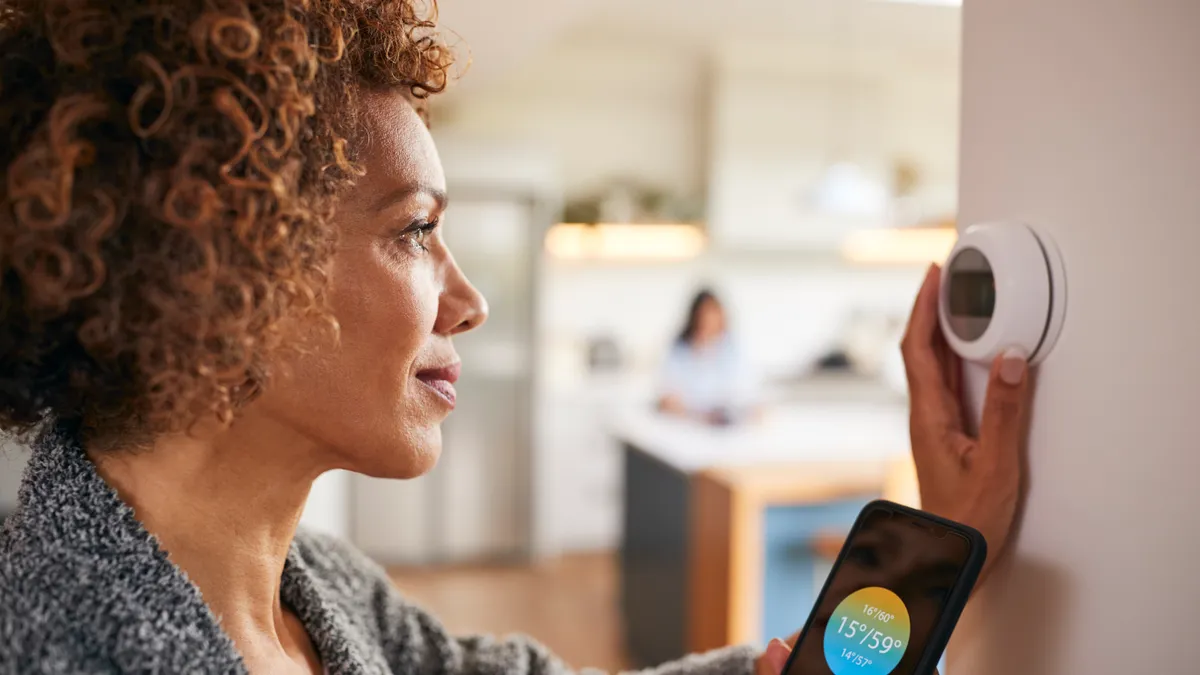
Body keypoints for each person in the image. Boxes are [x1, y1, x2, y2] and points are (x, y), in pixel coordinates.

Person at [0, 2, 1032, 674]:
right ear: (219, 260)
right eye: (414, 232)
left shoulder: (327, 597)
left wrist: (922, 560)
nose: (469, 301)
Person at [657, 288, 758, 425]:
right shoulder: (679, 349)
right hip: (689, 424)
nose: (708, 322)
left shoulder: (732, 348)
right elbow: (668, 397)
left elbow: (745, 392)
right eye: (703, 317)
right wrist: (696, 415)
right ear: (694, 319)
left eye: (713, 316)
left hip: (725, 422)